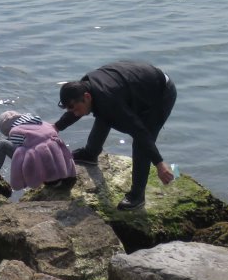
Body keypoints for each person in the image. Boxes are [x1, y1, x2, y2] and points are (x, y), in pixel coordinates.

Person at [55, 60, 177, 210]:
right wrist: (55, 128)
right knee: (104, 112)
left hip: (160, 92)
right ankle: (90, 154)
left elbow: (139, 132)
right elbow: (77, 111)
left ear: (86, 97)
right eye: (70, 109)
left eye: (74, 108)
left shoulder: (107, 98)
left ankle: (137, 196)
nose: (74, 113)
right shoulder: (84, 89)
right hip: (133, 85)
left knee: (140, 143)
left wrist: (159, 164)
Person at [0, 111, 76, 200]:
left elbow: (20, 151)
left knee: (3, 145)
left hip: (51, 179)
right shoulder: (42, 123)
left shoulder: (16, 132)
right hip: (66, 173)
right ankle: (61, 177)